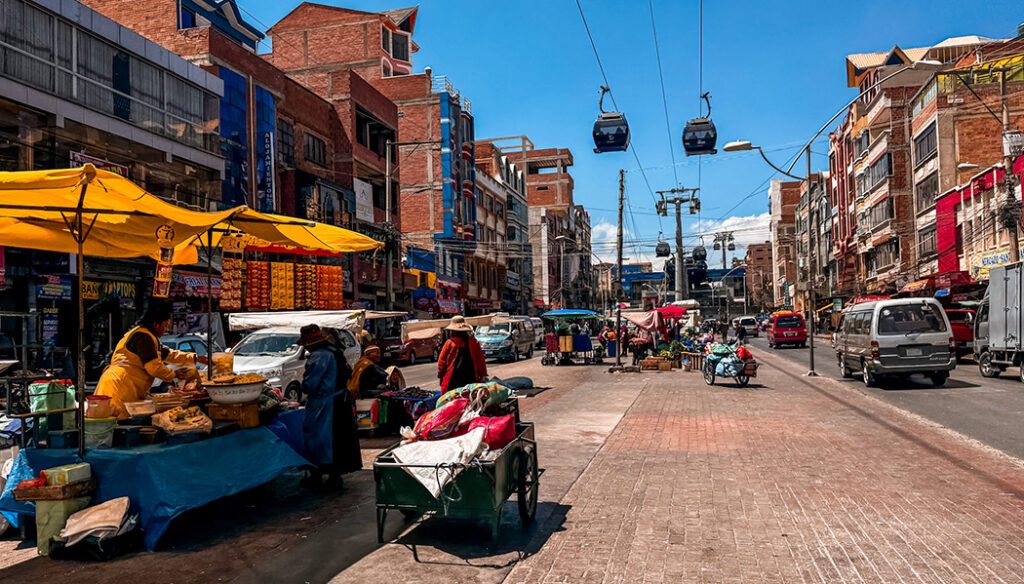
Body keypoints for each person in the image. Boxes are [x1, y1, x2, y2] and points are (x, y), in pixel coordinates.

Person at [96, 299, 207, 419]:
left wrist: (195, 358)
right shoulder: (143, 338)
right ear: (156, 324)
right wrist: (174, 374)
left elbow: (169, 355)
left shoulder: (150, 338)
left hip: (126, 387)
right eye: (165, 325)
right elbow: (154, 367)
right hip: (118, 387)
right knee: (115, 425)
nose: (166, 330)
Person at [298, 324, 346, 490]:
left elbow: (310, 385)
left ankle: (319, 474)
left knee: (319, 439)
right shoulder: (333, 352)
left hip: (324, 403)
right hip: (336, 399)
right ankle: (334, 475)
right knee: (334, 438)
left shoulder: (319, 357)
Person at [321, 327, 362, 479]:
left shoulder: (327, 355)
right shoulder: (336, 353)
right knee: (339, 438)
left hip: (333, 403)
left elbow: (312, 384)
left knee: (335, 439)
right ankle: (335, 474)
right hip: (339, 401)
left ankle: (334, 475)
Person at [437, 316, 487, 391]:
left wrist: (441, 376)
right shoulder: (473, 342)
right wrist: (482, 375)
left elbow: (441, 363)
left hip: (452, 382)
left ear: (453, 331)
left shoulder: (450, 343)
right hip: (471, 381)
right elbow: (481, 361)